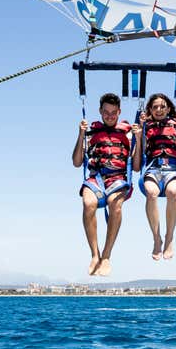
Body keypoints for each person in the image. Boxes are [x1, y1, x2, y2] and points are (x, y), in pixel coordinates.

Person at [72, 93, 141, 276]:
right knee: (88, 204)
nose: (109, 116)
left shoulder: (128, 133)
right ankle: (95, 255)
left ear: (119, 112)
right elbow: (77, 162)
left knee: (115, 206)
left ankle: (106, 255)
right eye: (106, 112)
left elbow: (135, 168)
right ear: (100, 112)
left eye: (113, 113)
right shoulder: (91, 132)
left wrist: (139, 139)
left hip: (117, 179)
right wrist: (80, 134)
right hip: (96, 178)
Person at [137, 93, 176, 261]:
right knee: (151, 192)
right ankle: (156, 238)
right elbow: (141, 149)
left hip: (172, 167)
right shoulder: (146, 127)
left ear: (168, 109)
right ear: (150, 110)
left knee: (173, 192)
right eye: (155, 107)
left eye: (162, 106)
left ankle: (169, 238)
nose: (159, 110)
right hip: (153, 167)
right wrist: (140, 129)